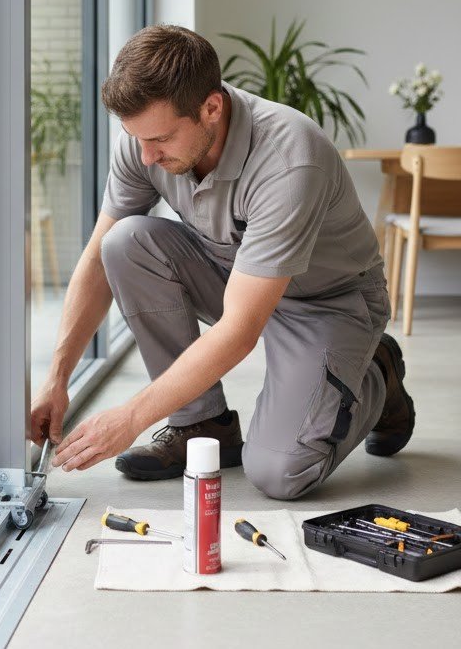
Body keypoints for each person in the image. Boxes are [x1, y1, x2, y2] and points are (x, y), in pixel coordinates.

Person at [29, 25, 415, 499]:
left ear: (211, 108)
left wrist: (130, 418)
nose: (146, 156)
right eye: (138, 139)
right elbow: (96, 258)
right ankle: (202, 425)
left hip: (327, 302)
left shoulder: (290, 159)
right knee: (123, 243)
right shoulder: (146, 138)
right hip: (237, 276)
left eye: (161, 140)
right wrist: (57, 377)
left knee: (280, 473)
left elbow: (239, 331)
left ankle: (377, 372)